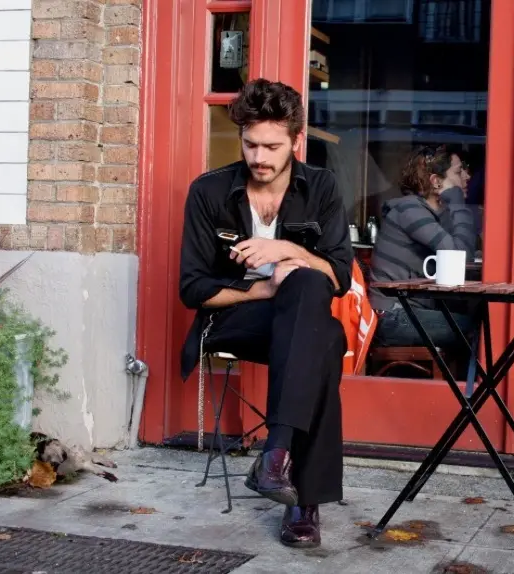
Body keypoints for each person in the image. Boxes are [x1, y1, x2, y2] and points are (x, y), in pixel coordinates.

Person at [178, 79, 353, 547]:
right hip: (238, 322)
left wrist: (286, 248)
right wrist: (262, 289)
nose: (259, 157)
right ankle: (298, 492)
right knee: (322, 335)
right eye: (250, 144)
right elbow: (192, 290)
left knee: (314, 297)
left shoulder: (321, 187)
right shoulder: (210, 192)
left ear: (296, 141)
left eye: (272, 146)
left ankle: (278, 461)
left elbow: (341, 278)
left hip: (303, 322)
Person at [369, 145, 476, 348]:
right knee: (476, 328)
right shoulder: (409, 209)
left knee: (480, 315)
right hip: (392, 315)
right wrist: (459, 205)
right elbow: (461, 257)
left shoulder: (433, 214)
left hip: (413, 309)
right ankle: (471, 381)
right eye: (458, 171)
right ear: (436, 182)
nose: (467, 175)